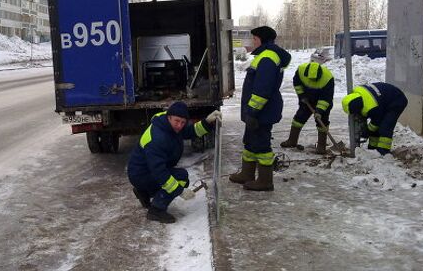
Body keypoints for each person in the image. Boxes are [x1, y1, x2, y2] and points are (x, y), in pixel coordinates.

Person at [127, 102, 222, 223]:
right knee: (181, 178)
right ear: (169, 117)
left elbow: (191, 131)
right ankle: (156, 210)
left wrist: (207, 122)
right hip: (141, 174)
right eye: (177, 121)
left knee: (176, 179)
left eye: (183, 122)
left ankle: (144, 192)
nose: (179, 125)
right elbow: (159, 172)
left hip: (144, 171)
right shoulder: (157, 138)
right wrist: (180, 191)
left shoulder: (169, 125)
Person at [229, 26, 291, 191]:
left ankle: (265, 181)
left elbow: (262, 90)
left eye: (254, 39)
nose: (252, 42)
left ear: (262, 40)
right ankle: (247, 174)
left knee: (262, 145)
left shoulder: (268, 58)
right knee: (250, 142)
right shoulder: (264, 56)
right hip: (258, 111)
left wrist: (252, 112)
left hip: (262, 112)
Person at [280, 62, 335, 154]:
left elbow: (326, 98)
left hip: (321, 100)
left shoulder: (327, 78)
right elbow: (297, 84)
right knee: (298, 119)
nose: (312, 81)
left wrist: (319, 111)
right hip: (307, 100)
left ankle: (321, 146)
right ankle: (292, 141)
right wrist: (301, 96)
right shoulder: (301, 71)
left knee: (322, 122)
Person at [342, 82, 408, 156]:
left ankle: (383, 152)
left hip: (397, 100)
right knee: (375, 128)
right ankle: (372, 148)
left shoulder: (371, 106)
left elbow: (376, 121)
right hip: (383, 100)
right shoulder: (357, 92)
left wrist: (368, 131)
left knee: (385, 127)